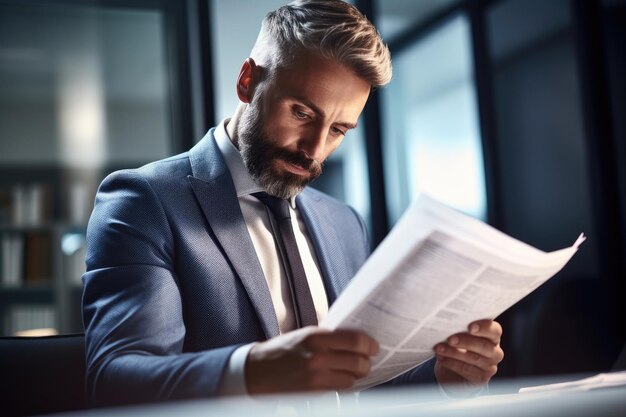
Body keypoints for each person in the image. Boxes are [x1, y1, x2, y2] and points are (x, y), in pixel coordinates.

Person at [82, 0, 504, 406]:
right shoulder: (144, 202)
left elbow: (362, 384)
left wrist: (445, 378)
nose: (315, 149)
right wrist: (252, 372)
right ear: (247, 81)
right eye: (302, 113)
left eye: (339, 129)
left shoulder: (344, 223)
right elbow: (117, 379)